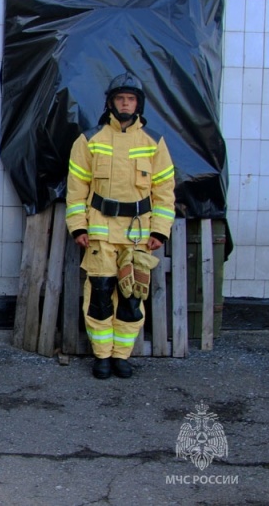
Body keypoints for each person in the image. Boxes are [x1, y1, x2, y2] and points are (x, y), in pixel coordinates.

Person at [66, 72, 176, 380]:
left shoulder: (154, 143)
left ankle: (120, 356)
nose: (125, 104)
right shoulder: (89, 140)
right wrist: (78, 227)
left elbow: (165, 191)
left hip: (138, 235)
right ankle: (101, 356)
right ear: (111, 103)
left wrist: (159, 230)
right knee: (99, 296)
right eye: (120, 99)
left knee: (131, 298)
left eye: (130, 99)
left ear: (138, 104)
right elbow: (76, 190)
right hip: (100, 232)